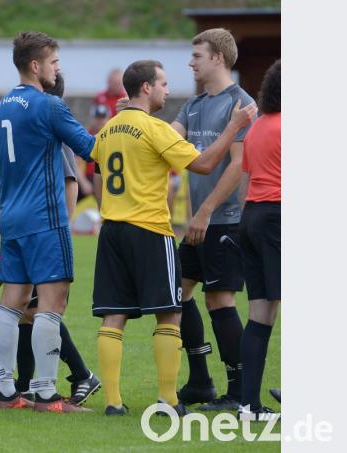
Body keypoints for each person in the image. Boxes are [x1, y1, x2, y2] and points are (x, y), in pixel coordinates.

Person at [90, 59, 256, 416]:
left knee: (113, 316)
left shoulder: (107, 130)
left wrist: (110, 210)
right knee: (168, 314)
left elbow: (99, 175)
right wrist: (233, 127)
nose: (168, 89)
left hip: (112, 230)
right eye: (163, 83)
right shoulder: (156, 128)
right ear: (146, 87)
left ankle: (113, 403)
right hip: (149, 231)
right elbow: (206, 164)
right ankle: (169, 400)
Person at [0, 72, 101, 407]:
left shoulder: (25, 119)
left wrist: (58, 227)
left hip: (31, 226)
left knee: (27, 306)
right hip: (39, 227)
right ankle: (50, 385)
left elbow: (68, 182)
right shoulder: (43, 125)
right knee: (37, 307)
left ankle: (33, 383)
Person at [0, 32, 96, 414]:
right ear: (36, 65)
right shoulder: (49, 105)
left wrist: (7, 220)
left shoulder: (1, 108)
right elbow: (90, 148)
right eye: (54, 62)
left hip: (12, 217)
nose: (57, 69)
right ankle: (47, 396)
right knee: (53, 301)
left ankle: (6, 392)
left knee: (11, 303)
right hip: (46, 219)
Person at [172, 28, 256, 411]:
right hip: (196, 222)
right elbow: (166, 141)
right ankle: (200, 380)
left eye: (197, 55)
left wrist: (205, 211)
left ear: (218, 58)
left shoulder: (242, 105)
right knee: (176, 293)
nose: (191, 62)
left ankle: (238, 392)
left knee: (220, 300)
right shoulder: (191, 106)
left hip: (224, 221)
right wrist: (139, 116)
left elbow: (239, 165)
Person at [238, 59, 281, 421]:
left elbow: (247, 178)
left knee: (260, 314)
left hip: (251, 216)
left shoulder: (257, 127)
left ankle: (248, 404)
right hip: (278, 216)